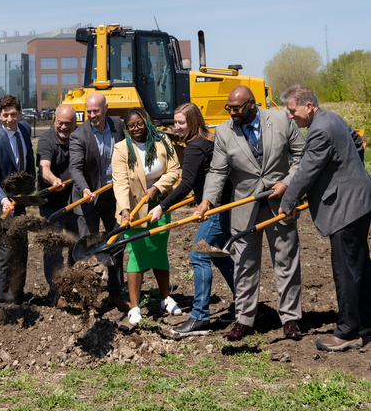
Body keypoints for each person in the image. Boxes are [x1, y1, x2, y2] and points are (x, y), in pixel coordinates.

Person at [195, 85, 306, 341]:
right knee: (244, 265)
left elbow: (302, 154)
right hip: (245, 207)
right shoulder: (224, 131)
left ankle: (290, 319)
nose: (231, 113)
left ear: (251, 105)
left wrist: (287, 183)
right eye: (229, 108)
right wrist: (207, 201)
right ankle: (244, 320)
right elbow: (218, 171)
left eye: (236, 108)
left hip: (280, 205)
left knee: (286, 262)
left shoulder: (280, 120)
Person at [279, 84, 371, 352]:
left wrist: (288, 202)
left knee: (345, 271)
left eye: (293, 111)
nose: (290, 116)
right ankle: (365, 320)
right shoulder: (332, 117)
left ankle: (347, 332)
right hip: (359, 200)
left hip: (347, 208)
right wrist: (349, 173)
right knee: (360, 266)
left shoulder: (320, 129)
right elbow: (356, 142)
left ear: (309, 106)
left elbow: (307, 171)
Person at [149, 103, 235, 336]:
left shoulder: (195, 147)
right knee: (217, 255)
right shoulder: (208, 140)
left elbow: (185, 183)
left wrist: (162, 206)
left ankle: (200, 318)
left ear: (193, 122)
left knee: (199, 254)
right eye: (175, 122)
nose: (176, 127)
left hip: (216, 209)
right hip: (226, 205)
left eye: (181, 123)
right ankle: (245, 304)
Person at [112, 107, 181, 325]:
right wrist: (124, 209)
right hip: (134, 210)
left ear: (146, 122)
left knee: (160, 251)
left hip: (160, 205)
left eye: (139, 124)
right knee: (137, 254)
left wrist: (157, 188)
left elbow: (174, 170)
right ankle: (134, 307)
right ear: (126, 127)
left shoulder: (162, 141)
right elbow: (120, 181)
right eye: (131, 125)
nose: (136, 129)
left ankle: (165, 298)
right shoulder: (122, 148)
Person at [69, 92, 129, 311]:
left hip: (113, 196)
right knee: (88, 246)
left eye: (96, 111)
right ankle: (89, 298)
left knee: (117, 243)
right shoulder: (80, 135)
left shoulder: (117, 126)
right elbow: (75, 168)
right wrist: (85, 188)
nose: (92, 115)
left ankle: (115, 293)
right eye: (89, 111)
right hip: (89, 198)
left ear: (106, 108)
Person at [0, 95, 35, 308]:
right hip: (1, 205)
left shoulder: (24, 130)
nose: (10, 119)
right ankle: (5, 301)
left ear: (20, 114)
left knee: (21, 248)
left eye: (13, 114)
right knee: (5, 252)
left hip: (19, 201)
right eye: (5, 115)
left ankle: (18, 295)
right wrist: (4, 200)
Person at [37, 104, 78, 308]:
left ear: (75, 124)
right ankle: (55, 292)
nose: (63, 127)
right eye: (60, 123)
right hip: (51, 204)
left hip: (75, 201)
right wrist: (53, 181)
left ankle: (72, 286)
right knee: (53, 247)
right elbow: (44, 168)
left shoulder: (79, 136)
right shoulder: (47, 140)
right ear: (55, 121)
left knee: (75, 244)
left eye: (67, 124)